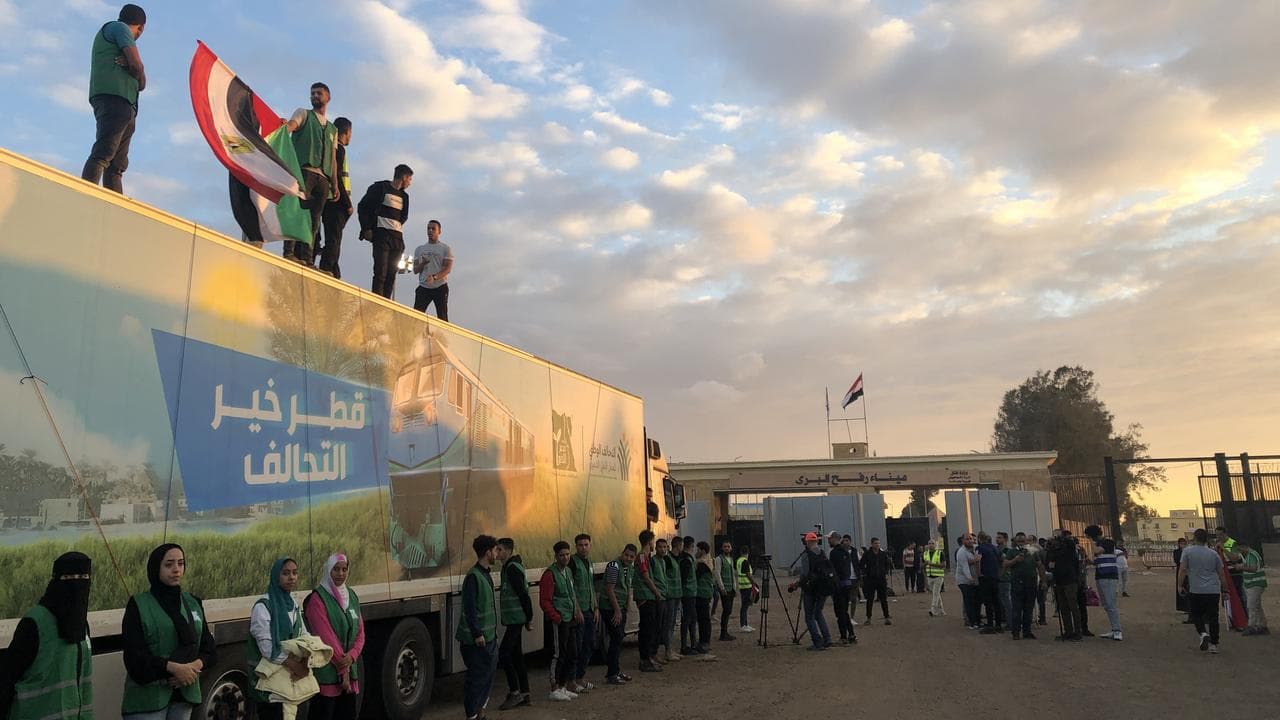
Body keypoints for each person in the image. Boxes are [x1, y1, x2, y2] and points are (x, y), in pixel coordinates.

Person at [122, 544, 217, 720]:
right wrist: (174, 669)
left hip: (184, 697)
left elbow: (209, 648)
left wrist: (191, 669)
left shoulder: (192, 602)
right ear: (155, 568)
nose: (176, 570)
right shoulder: (139, 604)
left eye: (180, 563)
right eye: (169, 564)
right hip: (148, 702)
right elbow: (134, 656)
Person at [0, 552, 94, 720]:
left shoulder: (82, 626)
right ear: (56, 581)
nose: (78, 582)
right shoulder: (35, 623)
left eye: (83, 576)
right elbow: (7, 678)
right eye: (69, 577)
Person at [81, 4, 146, 194]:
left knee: (116, 165)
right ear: (141, 27)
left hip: (125, 103)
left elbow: (142, 82)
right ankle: (86, 198)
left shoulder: (113, 32)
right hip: (114, 99)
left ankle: (113, 209)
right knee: (104, 154)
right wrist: (135, 67)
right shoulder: (120, 28)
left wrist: (136, 70)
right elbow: (138, 67)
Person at [247, 558, 312, 720]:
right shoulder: (263, 606)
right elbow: (267, 648)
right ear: (276, 576)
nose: (292, 577)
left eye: (295, 573)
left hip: (290, 680)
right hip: (269, 684)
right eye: (286, 573)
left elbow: (303, 634)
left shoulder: (293, 604)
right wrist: (295, 666)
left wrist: (306, 660)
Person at [303, 553, 365, 720]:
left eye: (344, 569)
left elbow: (360, 632)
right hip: (327, 674)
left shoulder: (351, 596)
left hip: (348, 674)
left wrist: (352, 656)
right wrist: (342, 668)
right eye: (336, 569)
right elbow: (325, 636)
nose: (340, 574)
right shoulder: (317, 599)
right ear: (328, 571)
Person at [284, 82, 340, 266]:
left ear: (328, 97)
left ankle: (307, 258)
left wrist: (335, 184)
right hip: (304, 171)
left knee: (314, 220)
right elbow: (292, 125)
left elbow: (332, 158)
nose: (315, 96)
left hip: (323, 178)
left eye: (319, 93)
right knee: (296, 210)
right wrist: (285, 128)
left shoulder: (333, 129)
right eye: (312, 93)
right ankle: (289, 252)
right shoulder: (303, 113)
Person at [458, 535, 499, 719]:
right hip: (477, 641)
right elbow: (469, 608)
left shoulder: (485, 574)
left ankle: (480, 713)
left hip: (489, 638)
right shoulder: (474, 577)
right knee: (476, 679)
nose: (497, 554)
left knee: (486, 677)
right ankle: (472, 715)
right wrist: (477, 633)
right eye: (495, 550)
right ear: (487, 552)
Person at [357, 164, 413, 299]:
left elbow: (403, 216)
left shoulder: (405, 197)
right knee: (380, 271)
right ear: (404, 177)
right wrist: (367, 228)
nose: (410, 183)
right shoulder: (380, 188)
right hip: (381, 236)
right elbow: (363, 207)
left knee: (391, 272)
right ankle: (377, 300)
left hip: (397, 239)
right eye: (410, 179)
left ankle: (387, 301)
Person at [540, 540, 583, 701]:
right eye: (561, 555)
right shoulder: (550, 574)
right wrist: (556, 617)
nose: (565, 557)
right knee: (559, 653)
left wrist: (577, 610)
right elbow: (545, 601)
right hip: (561, 619)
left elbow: (572, 593)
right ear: (556, 556)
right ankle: (554, 687)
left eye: (567, 554)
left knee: (572, 652)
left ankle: (563, 686)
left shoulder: (568, 572)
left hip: (570, 618)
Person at [496, 538, 533, 709]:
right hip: (514, 619)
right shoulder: (508, 567)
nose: (497, 552)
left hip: (517, 619)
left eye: (500, 549)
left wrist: (528, 617)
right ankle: (525, 694)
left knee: (504, 654)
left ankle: (515, 692)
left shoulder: (512, 568)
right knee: (517, 656)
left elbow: (523, 594)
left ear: (509, 551)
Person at [1178, 528, 1228, 654]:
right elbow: (1221, 574)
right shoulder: (1213, 554)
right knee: (1213, 616)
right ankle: (1214, 644)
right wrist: (1225, 590)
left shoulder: (1187, 551)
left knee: (1196, 614)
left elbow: (1183, 569)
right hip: (1213, 589)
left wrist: (1179, 585)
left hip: (1196, 589)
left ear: (1194, 538)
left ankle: (1203, 633)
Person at [316, 117, 353, 278]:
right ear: (347, 132)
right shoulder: (338, 149)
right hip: (336, 201)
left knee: (332, 237)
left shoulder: (330, 148)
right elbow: (336, 175)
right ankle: (327, 268)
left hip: (330, 200)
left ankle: (333, 269)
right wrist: (348, 203)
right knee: (334, 238)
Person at [789, 532, 834, 650]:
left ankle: (817, 642)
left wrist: (798, 584)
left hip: (810, 589)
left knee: (809, 616)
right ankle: (827, 638)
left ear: (807, 542)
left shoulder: (806, 555)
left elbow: (804, 574)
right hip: (823, 588)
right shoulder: (823, 553)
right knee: (818, 613)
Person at [600, 544, 637, 683]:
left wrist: (625, 608)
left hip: (620, 608)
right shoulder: (614, 566)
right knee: (616, 638)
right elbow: (609, 589)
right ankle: (612, 674)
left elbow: (627, 587)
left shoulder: (630, 568)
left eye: (631, 556)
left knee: (618, 638)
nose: (628, 558)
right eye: (626, 555)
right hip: (610, 608)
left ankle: (615, 671)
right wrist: (617, 610)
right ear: (622, 553)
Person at [569, 534, 598, 694]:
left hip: (590, 610)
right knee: (577, 647)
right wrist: (577, 609)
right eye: (580, 545)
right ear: (576, 546)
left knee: (590, 644)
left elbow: (591, 586)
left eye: (586, 544)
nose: (583, 547)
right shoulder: (573, 562)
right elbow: (571, 588)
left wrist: (596, 607)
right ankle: (572, 681)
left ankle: (580, 677)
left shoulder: (589, 562)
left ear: (590, 545)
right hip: (579, 611)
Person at [632, 530, 664, 673]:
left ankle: (649, 657)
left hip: (647, 596)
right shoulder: (642, 557)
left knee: (651, 629)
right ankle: (645, 660)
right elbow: (645, 577)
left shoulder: (645, 557)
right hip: (645, 597)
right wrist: (657, 592)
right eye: (653, 541)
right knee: (646, 629)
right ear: (650, 541)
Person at [1005, 533, 1045, 640]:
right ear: (1016, 542)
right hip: (1017, 584)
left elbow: (1040, 565)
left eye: (1023, 541)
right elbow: (1005, 564)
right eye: (1019, 541)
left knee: (1029, 609)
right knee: (1017, 609)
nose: (1022, 543)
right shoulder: (1011, 551)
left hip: (1031, 584)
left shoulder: (1032, 552)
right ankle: (1016, 632)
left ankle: (1027, 632)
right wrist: (1015, 560)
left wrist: (1043, 580)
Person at [413, 220, 454, 321]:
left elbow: (448, 268)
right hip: (424, 286)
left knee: (442, 317)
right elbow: (415, 270)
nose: (430, 231)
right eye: (428, 228)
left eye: (433, 229)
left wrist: (434, 277)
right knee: (416, 316)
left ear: (439, 231)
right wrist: (423, 263)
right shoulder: (419, 249)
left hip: (440, 287)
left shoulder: (445, 249)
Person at [1045, 533, 1083, 642]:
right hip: (1059, 581)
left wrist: (1063, 539)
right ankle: (1068, 631)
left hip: (1070, 580)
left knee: (1073, 606)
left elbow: (1071, 546)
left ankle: (1077, 631)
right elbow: (1048, 564)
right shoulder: (1053, 553)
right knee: (1063, 607)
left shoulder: (1069, 550)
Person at [1091, 539, 1123, 641]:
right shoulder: (1102, 546)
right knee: (1106, 604)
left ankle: (1117, 630)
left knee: (1110, 604)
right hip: (1101, 576)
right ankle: (1114, 629)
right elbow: (1097, 560)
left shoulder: (1106, 543)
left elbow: (1096, 551)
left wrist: (1092, 543)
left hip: (1108, 577)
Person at [656, 538, 682, 662]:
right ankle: (668, 651)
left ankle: (670, 649)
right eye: (661, 547)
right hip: (669, 595)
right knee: (668, 624)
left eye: (665, 547)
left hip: (676, 595)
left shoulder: (672, 559)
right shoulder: (667, 560)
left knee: (672, 624)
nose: (663, 549)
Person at [828, 532, 857, 642]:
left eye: (829, 539)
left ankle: (843, 636)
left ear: (834, 539)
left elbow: (833, 570)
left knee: (840, 612)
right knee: (844, 611)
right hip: (847, 584)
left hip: (838, 586)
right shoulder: (846, 552)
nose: (828, 541)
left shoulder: (834, 553)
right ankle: (851, 634)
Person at [692, 541, 719, 655]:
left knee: (703, 620)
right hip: (706, 592)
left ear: (702, 551)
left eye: (697, 550)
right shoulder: (709, 560)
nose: (695, 552)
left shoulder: (702, 563)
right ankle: (704, 642)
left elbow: (695, 577)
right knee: (705, 619)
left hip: (702, 593)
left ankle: (704, 642)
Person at [1237, 540, 1269, 636]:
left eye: (1240, 549)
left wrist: (1241, 568)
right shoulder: (1248, 555)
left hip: (1255, 584)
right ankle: (1262, 625)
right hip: (1252, 583)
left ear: (1244, 546)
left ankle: (1251, 626)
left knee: (1251, 606)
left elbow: (1253, 568)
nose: (1239, 551)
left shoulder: (1251, 555)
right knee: (1257, 606)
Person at [974, 532, 1003, 634]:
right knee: (996, 601)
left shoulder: (980, 548)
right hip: (995, 577)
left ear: (979, 539)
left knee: (988, 602)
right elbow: (1001, 561)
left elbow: (977, 561)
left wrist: (978, 574)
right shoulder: (995, 548)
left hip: (985, 577)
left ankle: (990, 625)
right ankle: (998, 625)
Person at [859, 537, 892, 625]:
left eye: (878, 543)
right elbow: (861, 564)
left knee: (883, 599)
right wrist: (866, 573)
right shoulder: (867, 554)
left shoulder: (883, 554)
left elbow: (887, 564)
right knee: (870, 599)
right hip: (871, 579)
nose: (877, 545)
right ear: (872, 544)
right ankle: (868, 618)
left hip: (881, 579)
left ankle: (887, 617)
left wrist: (885, 572)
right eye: (875, 543)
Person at [677, 535, 698, 656]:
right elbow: (684, 578)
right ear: (691, 545)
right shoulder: (686, 559)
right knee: (687, 619)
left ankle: (692, 644)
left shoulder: (685, 558)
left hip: (690, 592)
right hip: (688, 593)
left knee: (692, 618)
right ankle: (685, 646)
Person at [955, 534, 981, 629]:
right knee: (969, 601)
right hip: (964, 581)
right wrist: (970, 579)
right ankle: (972, 622)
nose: (970, 541)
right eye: (967, 539)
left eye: (971, 539)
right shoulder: (961, 552)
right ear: (963, 541)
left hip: (974, 580)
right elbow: (964, 567)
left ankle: (977, 621)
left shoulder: (974, 549)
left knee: (976, 601)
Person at [714, 540, 737, 641]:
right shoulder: (719, 559)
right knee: (726, 610)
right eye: (725, 546)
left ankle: (725, 632)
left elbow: (733, 574)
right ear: (722, 548)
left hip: (731, 588)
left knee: (729, 610)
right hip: (725, 589)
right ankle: (723, 632)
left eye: (728, 546)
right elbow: (717, 573)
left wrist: (735, 587)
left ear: (731, 548)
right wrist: (722, 587)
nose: (727, 548)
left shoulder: (731, 559)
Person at [735, 545, 758, 633]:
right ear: (748, 553)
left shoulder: (739, 560)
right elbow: (748, 574)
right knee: (744, 607)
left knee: (745, 606)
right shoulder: (745, 561)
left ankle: (745, 624)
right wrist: (754, 583)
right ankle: (743, 625)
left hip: (742, 586)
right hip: (747, 586)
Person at [922, 538, 946, 617]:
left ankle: (933, 610)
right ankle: (941, 610)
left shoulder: (940, 553)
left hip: (938, 576)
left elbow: (943, 565)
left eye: (932, 543)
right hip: (930, 576)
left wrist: (932, 564)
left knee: (935, 594)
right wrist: (925, 564)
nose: (931, 545)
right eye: (929, 543)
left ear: (935, 545)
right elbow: (922, 566)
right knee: (936, 593)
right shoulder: (925, 554)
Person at [1027, 535, 1047, 626]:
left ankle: (1041, 618)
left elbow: (1042, 563)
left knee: (1040, 599)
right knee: (1039, 599)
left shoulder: (1037, 550)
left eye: (1029, 540)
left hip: (1039, 575)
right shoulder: (1032, 549)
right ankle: (1040, 618)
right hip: (1034, 575)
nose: (1028, 542)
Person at [996, 532, 1013, 631]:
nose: (997, 539)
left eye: (999, 538)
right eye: (997, 537)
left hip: (1004, 579)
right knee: (1003, 601)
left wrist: (1001, 575)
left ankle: (1010, 623)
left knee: (1006, 601)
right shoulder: (998, 549)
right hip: (1001, 578)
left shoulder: (1005, 550)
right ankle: (1006, 620)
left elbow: (1005, 565)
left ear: (1005, 539)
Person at [1173, 537, 1191, 621]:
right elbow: (1177, 560)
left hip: (1188, 571)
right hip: (1180, 570)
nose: (1183, 544)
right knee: (1181, 588)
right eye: (1181, 543)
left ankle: (1189, 608)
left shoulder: (1188, 552)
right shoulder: (1176, 552)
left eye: (1184, 543)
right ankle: (1183, 607)